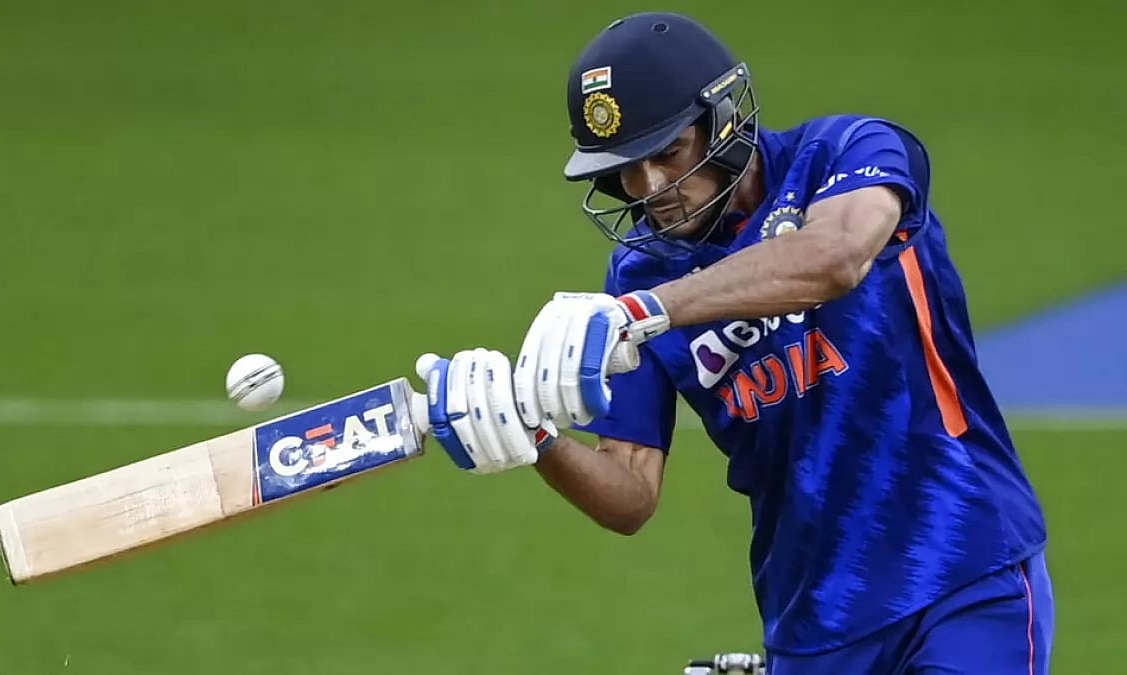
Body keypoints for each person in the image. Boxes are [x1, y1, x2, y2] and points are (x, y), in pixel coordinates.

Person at [413, 11, 1054, 674]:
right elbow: (630, 494)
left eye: (669, 153)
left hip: (966, 567)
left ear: (724, 122)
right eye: (628, 169)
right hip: (813, 617)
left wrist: (645, 313)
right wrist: (536, 439)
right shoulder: (637, 273)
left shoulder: (849, 152)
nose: (650, 189)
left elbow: (835, 258)